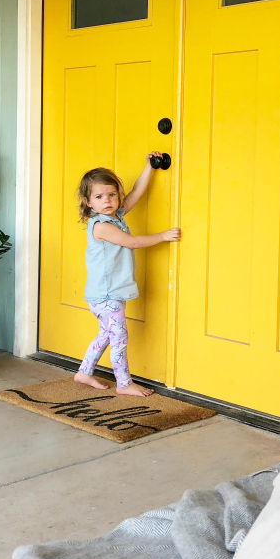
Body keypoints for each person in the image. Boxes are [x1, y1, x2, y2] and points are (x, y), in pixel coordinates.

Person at [74, 155, 181, 397]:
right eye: (99, 197)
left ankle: (84, 372)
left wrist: (149, 167)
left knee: (106, 334)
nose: (107, 200)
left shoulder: (116, 217)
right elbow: (132, 242)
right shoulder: (101, 226)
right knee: (119, 338)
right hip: (107, 295)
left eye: (112, 194)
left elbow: (136, 192)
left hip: (105, 294)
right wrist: (163, 236)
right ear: (88, 201)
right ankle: (124, 383)